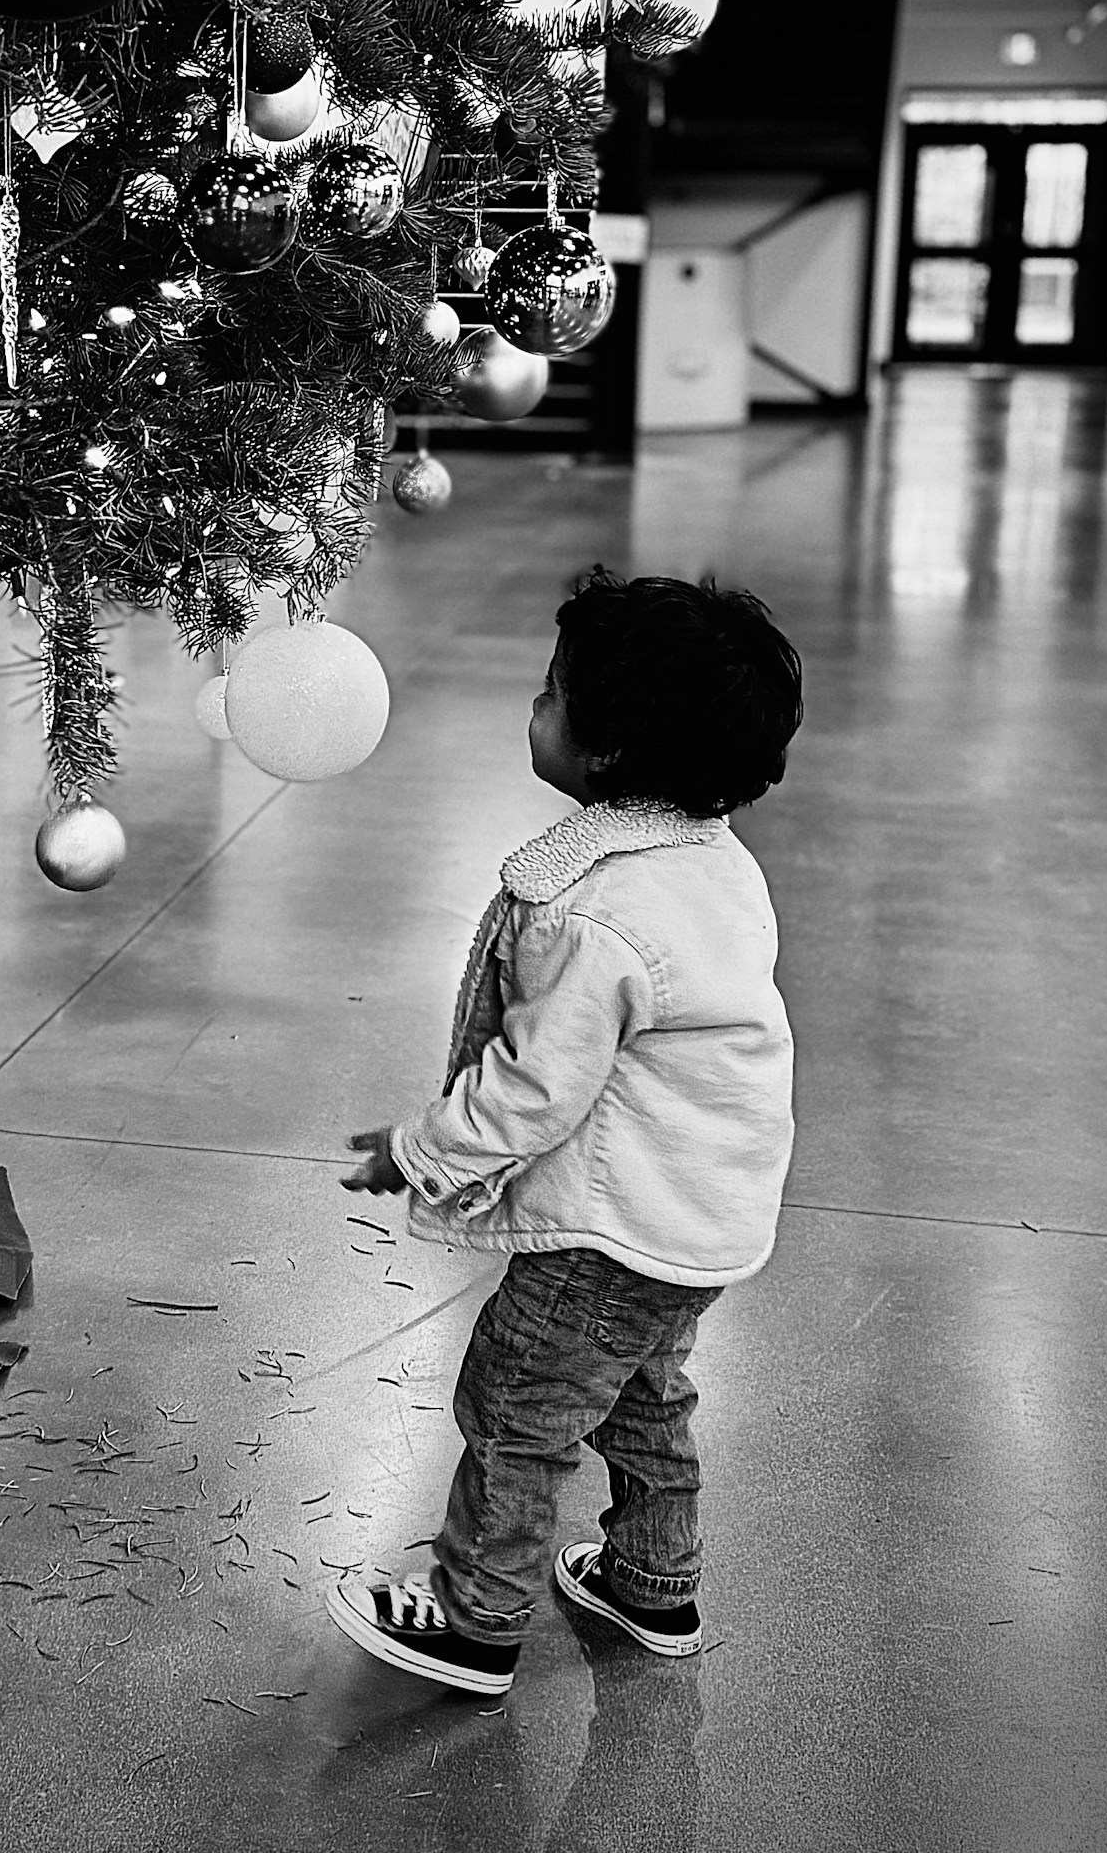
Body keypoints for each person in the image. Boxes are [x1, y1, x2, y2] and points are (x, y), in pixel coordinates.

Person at [326, 570, 803, 1698]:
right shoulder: (712, 861)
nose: (532, 707)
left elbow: (538, 1086)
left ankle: (473, 1616)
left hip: (610, 1225)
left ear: (608, 754)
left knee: (517, 1408)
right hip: (704, 1213)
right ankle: (652, 1576)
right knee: (646, 1392)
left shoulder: (592, 913)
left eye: (551, 694)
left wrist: (421, 1149)